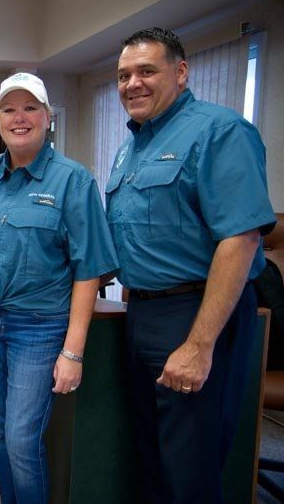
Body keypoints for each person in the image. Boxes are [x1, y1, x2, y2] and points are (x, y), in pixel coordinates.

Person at [105, 27, 276, 503]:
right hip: (142, 312)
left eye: (146, 71)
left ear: (180, 72)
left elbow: (240, 238)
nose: (132, 84)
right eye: (123, 76)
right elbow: (127, 239)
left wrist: (200, 346)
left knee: (190, 468)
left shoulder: (220, 130)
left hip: (197, 312)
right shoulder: (130, 148)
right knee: (152, 458)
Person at [0, 73, 118, 504]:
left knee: (22, 440)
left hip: (39, 328)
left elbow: (88, 271)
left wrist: (73, 352)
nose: (18, 117)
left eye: (29, 108)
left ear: (47, 117)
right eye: (9, 109)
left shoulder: (72, 180)